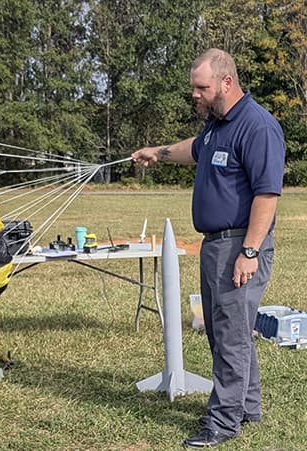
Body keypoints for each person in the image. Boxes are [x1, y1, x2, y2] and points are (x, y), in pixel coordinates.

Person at [132, 49, 285, 448]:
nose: (195, 95)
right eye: (193, 88)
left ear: (226, 83)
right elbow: (194, 149)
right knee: (225, 333)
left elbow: (267, 195)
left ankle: (222, 421)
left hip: (239, 245)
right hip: (215, 246)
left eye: (202, 88)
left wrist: (249, 253)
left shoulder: (257, 127)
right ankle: (247, 406)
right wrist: (158, 153)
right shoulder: (217, 126)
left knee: (231, 336)